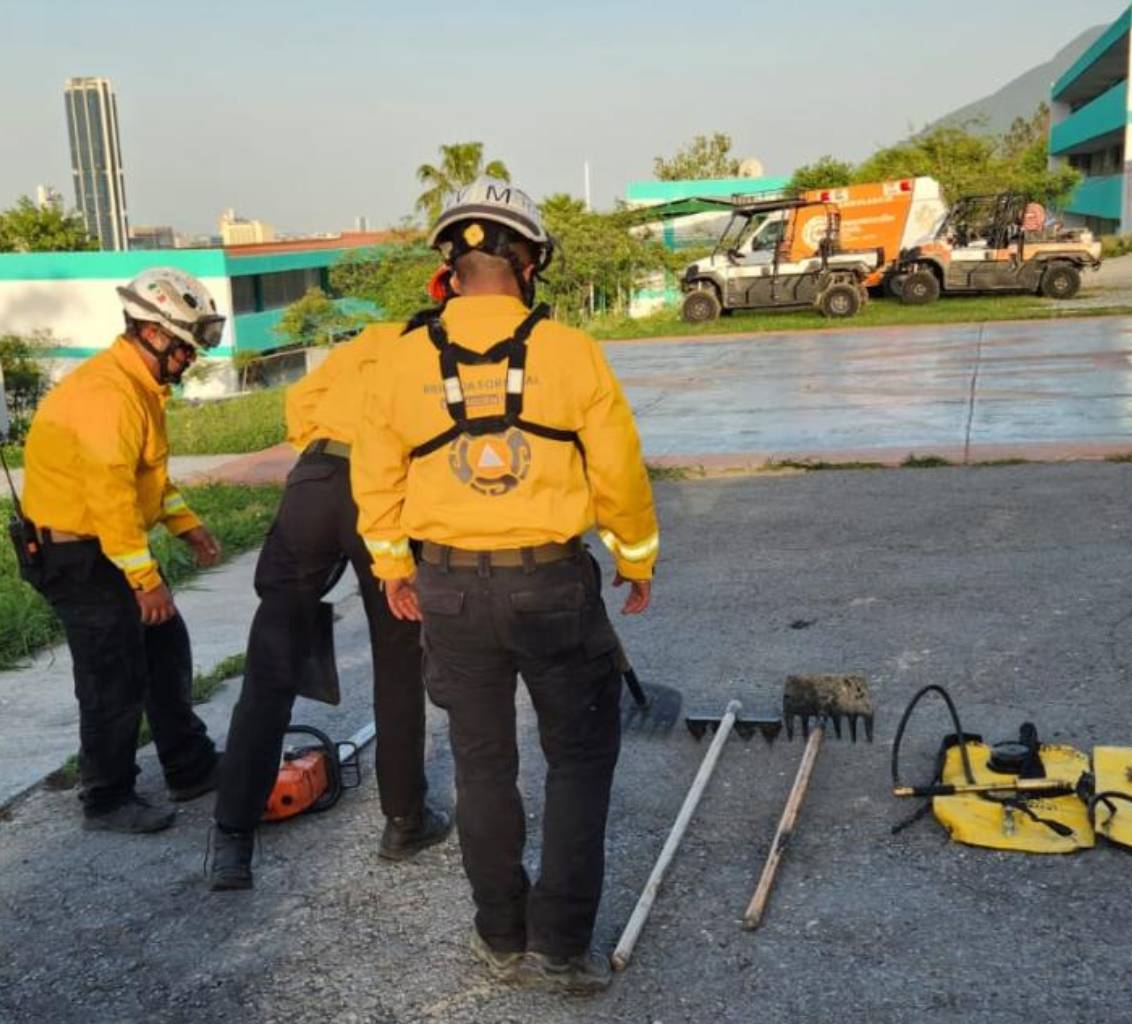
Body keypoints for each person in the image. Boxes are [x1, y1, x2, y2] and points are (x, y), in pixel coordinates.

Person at [351, 178, 659, 995]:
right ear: (527, 263)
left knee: (483, 763)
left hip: (448, 589)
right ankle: (561, 946)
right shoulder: (570, 352)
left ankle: (500, 934)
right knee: (579, 761)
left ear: (451, 266)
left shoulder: (400, 358)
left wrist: (392, 568)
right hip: (551, 585)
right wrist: (635, 557)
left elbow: (373, 477)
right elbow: (619, 470)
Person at [208, 329, 451, 891]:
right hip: (383, 493)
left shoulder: (370, 341)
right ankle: (404, 820)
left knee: (270, 664)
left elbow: (300, 403)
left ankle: (232, 840)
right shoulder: (445, 353)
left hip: (314, 481)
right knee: (397, 657)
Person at [20, 267, 224, 833]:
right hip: (78, 555)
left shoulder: (136, 388)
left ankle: (189, 766)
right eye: (185, 348)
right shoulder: (108, 395)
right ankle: (107, 798)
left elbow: (146, 479)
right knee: (113, 674)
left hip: (105, 545)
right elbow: (109, 494)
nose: (190, 361)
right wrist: (146, 580)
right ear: (154, 335)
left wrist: (186, 524)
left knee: (164, 649)